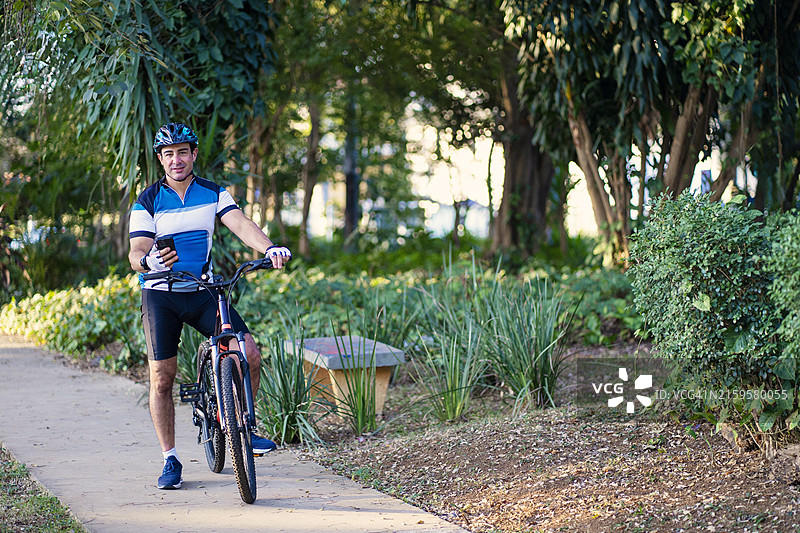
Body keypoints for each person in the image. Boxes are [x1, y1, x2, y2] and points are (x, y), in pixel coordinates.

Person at [128, 122, 291, 490]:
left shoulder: (213, 193)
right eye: (168, 154)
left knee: (248, 353)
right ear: (160, 159)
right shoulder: (148, 200)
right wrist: (148, 260)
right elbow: (135, 252)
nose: (176, 159)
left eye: (182, 152)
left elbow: (242, 224)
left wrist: (268, 248)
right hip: (161, 294)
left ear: (194, 154)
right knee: (162, 379)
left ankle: (243, 427)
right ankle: (170, 459)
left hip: (204, 289)